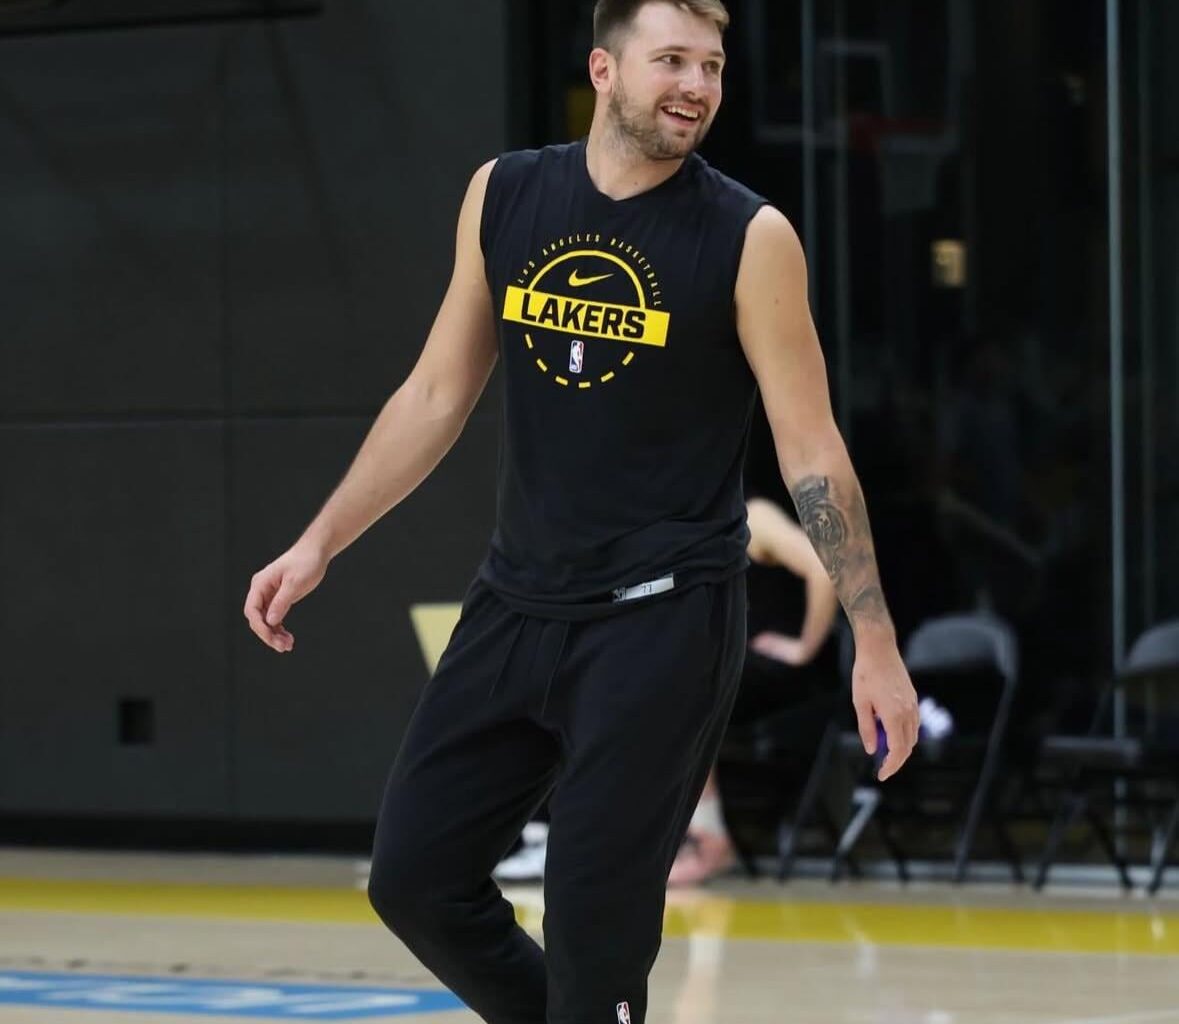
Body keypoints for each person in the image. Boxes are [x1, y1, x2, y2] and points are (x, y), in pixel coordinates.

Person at [243, 2, 920, 1023]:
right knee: (416, 877)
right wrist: (319, 541)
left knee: (594, 934)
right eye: (672, 61)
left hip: (663, 618)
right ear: (603, 68)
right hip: (517, 601)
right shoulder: (506, 194)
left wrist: (873, 636)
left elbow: (812, 450)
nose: (696, 85)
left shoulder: (750, 236)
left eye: (714, 66)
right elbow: (435, 394)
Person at [492, 496, 839, 887]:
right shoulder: (670, 533)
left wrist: (804, 647)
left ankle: (706, 836)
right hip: (711, 666)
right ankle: (561, 835)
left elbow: (825, 569)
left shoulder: (752, 516)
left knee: (674, 682)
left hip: (775, 669)